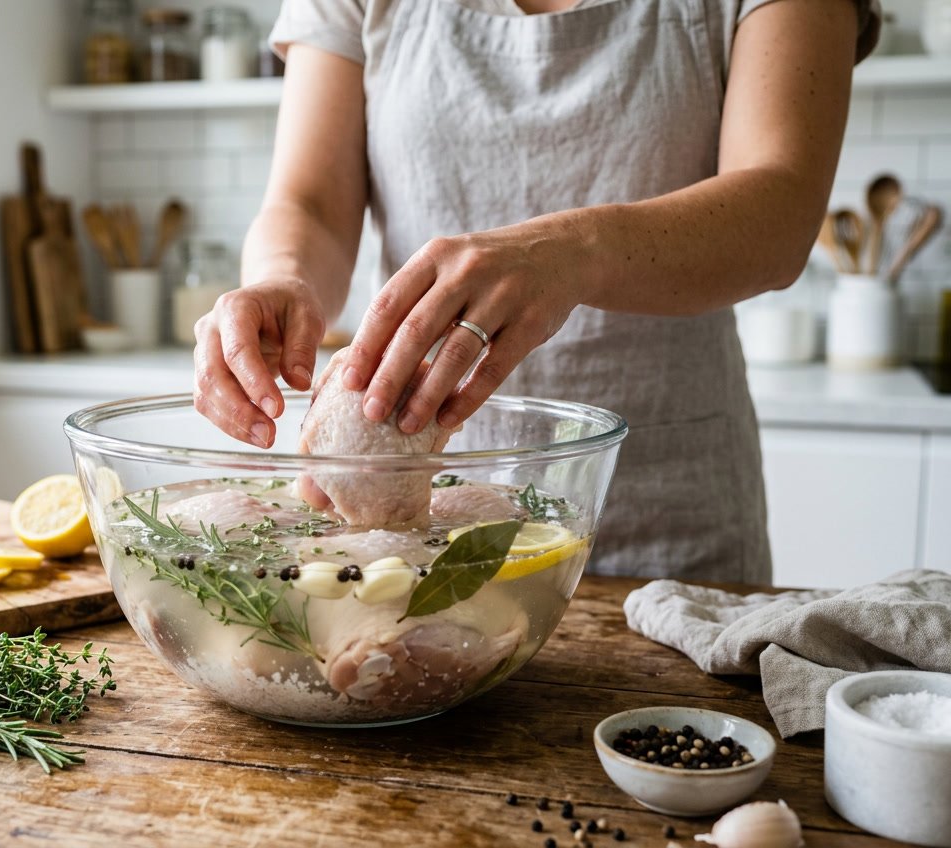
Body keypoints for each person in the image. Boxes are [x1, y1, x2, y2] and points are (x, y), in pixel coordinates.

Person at [191, 0, 880, 584]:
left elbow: (780, 216)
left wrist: (567, 254)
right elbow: (309, 202)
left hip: (668, 520)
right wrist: (282, 278)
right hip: (410, 537)